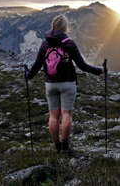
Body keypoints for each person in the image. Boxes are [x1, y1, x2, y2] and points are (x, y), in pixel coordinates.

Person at [25, 15, 104, 155]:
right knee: (66, 114)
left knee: (53, 116)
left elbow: (37, 65)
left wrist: (28, 76)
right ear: (65, 27)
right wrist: (100, 71)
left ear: (53, 26)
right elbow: (82, 66)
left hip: (50, 83)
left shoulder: (45, 43)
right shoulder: (69, 43)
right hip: (68, 83)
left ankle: (56, 146)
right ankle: (65, 147)